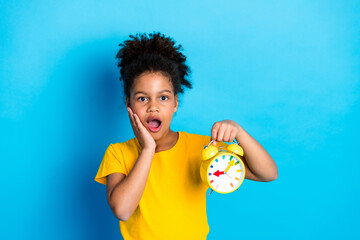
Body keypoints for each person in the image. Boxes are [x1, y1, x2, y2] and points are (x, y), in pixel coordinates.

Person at [94, 32, 278, 239]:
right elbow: (122, 210)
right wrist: (148, 149)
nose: (153, 107)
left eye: (163, 97)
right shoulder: (117, 153)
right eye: (142, 99)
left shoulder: (204, 148)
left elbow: (267, 173)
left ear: (175, 104)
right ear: (129, 104)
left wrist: (240, 132)